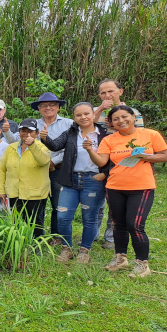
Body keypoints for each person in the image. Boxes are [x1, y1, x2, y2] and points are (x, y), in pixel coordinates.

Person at [83, 105, 167, 278]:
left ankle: (142, 264)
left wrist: (146, 157)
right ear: (111, 123)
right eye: (116, 119)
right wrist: (89, 150)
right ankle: (120, 258)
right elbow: (101, 162)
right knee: (118, 224)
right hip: (115, 187)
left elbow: (164, 156)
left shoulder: (150, 134)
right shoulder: (109, 139)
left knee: (135, 224)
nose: (121, 121)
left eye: (124, 117)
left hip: (141, 187)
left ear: (133, 117)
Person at [42, 102, 109, 264]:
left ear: (93, 115)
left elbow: (112, 158)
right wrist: (45, 138)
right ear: (74, 118)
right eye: (79, 115)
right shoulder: (71, 132)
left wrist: (105, 174)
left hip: (93, 180)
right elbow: (56, 145)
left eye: (86, 114)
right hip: (70, 180)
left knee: (89, 218)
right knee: (63, 216)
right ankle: (67, 248)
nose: (83, 117)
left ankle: (85, 250)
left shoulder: (104, 134)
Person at [92, 79, 145, 250]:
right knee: (96, 202)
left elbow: (139, 136)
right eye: (103, 93)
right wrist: (100, 109)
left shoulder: (132, 112)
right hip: (97, 161)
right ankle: (93, 234)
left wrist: (117, 126)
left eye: (111, 91)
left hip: (122, 164)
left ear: (120, 91)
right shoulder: (94, 111)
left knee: (114, 202)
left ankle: (110, 237)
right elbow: (83, 127)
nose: (107, 95)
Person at [0, 119, 52, 240]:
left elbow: (43, 161)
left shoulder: (43, 148)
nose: (26, 133)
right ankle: (19, 245)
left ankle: (36, 246)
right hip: (14, 192)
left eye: (30, 131)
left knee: (35, 223)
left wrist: (32, 146)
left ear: (36, 133)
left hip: (35, 193)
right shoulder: (11, 148)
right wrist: (1, 189)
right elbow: (2, 170)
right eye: (23, 130)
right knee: (16, 221)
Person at [31, 92, 73, 244]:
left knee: (58, 204)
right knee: (37, 203)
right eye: (44, 105)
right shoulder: (33, 124)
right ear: (39, 108)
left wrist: (53, 162)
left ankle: (56, 236)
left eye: (52, 105)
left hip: (59, 170)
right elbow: (25, 144)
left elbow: (69, 148)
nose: (48, 108)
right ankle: (38, 235)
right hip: (37, 169)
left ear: (58, 107)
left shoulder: (69, 124)